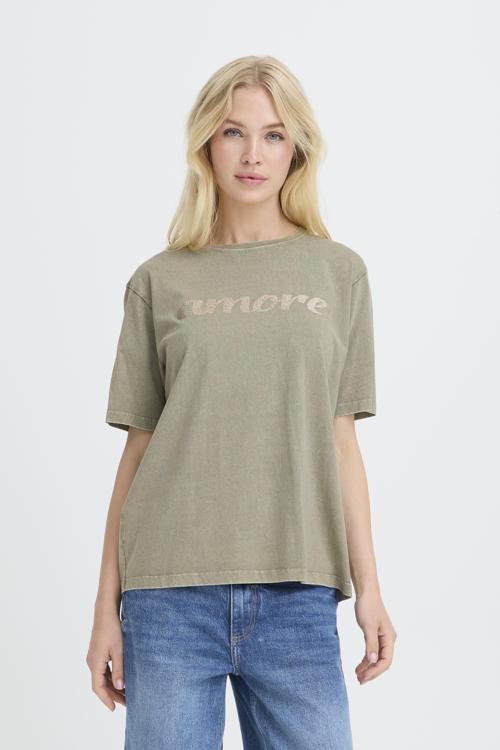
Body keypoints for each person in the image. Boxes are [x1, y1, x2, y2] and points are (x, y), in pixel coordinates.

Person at [86, 55, 397, 749]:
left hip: (299, 593)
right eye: (234, 132)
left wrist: (370, 589)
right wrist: (106, 607)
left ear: (297, 150)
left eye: (273, 134)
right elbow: (138, 452)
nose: (253, 154)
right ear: (206, 143)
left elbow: (341, 441)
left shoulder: (339, 274)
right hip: (168, 596)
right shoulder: (158, 282)